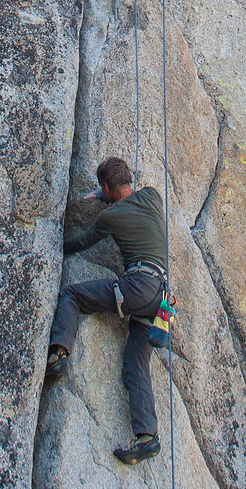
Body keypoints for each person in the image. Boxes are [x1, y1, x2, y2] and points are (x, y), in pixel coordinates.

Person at [45, 155, 167, 464]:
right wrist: (106, 193)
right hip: (160, 298)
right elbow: (128, 198)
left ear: (105, 187)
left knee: (72, 296)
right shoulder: (153, 196)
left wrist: (51, 245)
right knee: (136, 363)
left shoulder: (110, 217)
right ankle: (147, 437)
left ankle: (58, 355)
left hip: (136, 288)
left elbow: (81, 242)